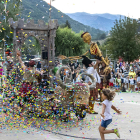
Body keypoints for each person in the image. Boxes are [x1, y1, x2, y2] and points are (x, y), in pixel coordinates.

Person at [16, 49, 43, 116]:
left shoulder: (25, 68)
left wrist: (18, 56)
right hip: (31, 86)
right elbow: (41, 74)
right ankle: (30, 110)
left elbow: (21, 62)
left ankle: (21, 111)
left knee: (23, 98)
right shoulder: (35, 71)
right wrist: (43, 72)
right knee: (32, 99)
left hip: (24, 85)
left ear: (28, 64)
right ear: (34, 65)